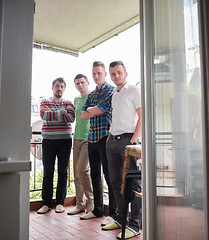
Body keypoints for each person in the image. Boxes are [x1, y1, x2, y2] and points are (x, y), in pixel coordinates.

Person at [102, 61, 142, 239]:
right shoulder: (114, 95)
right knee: (115, 182)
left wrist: (133, 141)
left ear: (126, 73)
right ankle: (120, 220)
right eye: (113, 74)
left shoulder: (134, 90)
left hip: (128, 140)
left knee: (133, 184)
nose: (116, 76)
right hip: (112, 141)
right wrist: (110, 136)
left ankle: (134, 226)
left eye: (119, 72)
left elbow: (143, 116)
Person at [79, 61, 117, 226]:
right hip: (92, 138)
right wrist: (92, 110)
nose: (96, 76)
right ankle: (98, 210)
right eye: (93, 74)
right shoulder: (91, 94)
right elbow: (82, 115)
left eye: (99, 73)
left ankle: (114, 214)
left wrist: (92, 110)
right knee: (95, 175)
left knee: (109, 176)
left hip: (105, 137)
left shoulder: (111, 90)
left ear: (105, 74)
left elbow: (100, 110)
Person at [37, 77, 75, 214]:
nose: (60, 89)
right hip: (48, 140)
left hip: (65, 140)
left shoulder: (68, 102)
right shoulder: (44, 101)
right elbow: (44, 116)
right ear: (52, 87)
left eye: (62, 86)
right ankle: (46, 204)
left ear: (64, 88)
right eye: (57, 86)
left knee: (63, 172)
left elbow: (71, 118)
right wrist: (62, 112)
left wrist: (53, 113)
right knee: (48, 172)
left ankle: (60, 202)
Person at [67, 74, 94, 215]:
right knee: (77, 172)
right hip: (76, 138)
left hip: (88, 138)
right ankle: (80, 204)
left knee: (83, 169)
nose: (80, 85)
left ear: (87, 82)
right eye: (77, 83)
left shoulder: (93, 96)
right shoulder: (76, 99)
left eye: (82, 82)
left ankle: (92, 203)